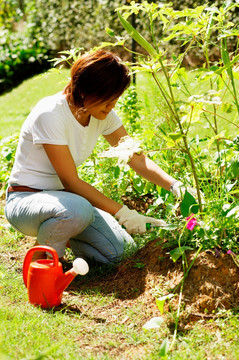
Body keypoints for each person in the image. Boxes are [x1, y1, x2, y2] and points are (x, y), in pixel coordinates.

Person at [4, 49, 186, 265]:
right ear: (84, 91)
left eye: (116, 99)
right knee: (78, 209)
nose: (113, 106)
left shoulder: (102, 114)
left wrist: (176, 186)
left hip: (65, 204)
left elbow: (136, 158)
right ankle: (43, 262)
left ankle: (60, 235)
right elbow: (71, 182)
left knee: (121, 252)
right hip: (26, 201)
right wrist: (125, 214)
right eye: (107, 99)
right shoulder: (51, 113)